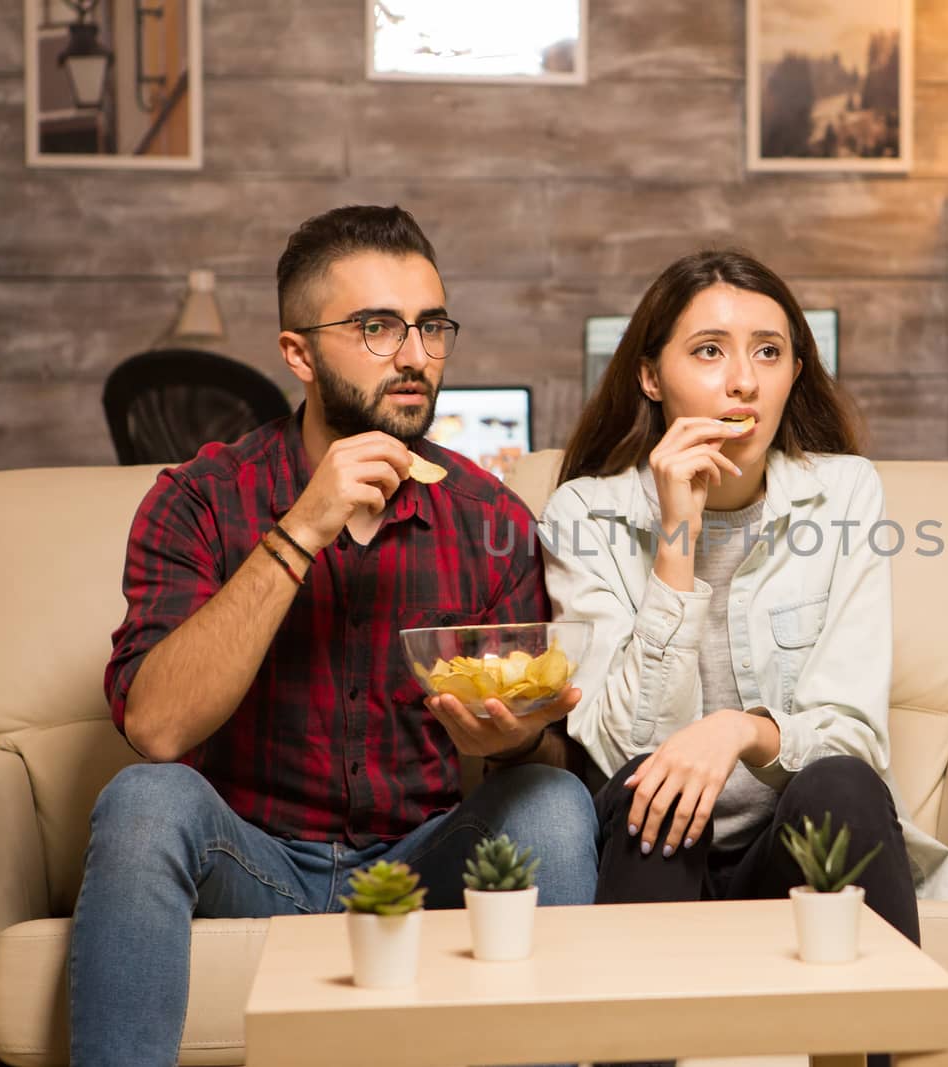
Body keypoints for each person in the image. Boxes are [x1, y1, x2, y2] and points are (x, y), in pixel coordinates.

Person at [72, 205, 598, 1066]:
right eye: (377, 327)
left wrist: (511, 739)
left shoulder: (488, 516)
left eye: (431, 326)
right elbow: (157, 729)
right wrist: (302, 527)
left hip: (419, 861)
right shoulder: (203, 498)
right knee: (142, 801)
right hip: (251, 857)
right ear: (298, 354)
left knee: (556, 803)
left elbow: (533, 760)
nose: (415, 355)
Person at [540, 249, 948, 949]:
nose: (743, 382)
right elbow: (621, 750)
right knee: (651, 782)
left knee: (844, 784)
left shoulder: (846, 493)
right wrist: (677, 540)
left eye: (769, 352)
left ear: (796, 371)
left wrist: (740, 727)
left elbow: (853, 733)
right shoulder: (585, 513)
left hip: (789, 848)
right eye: (708, 351)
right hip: (657, 848)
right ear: (649, 375)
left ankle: (888, 1048)